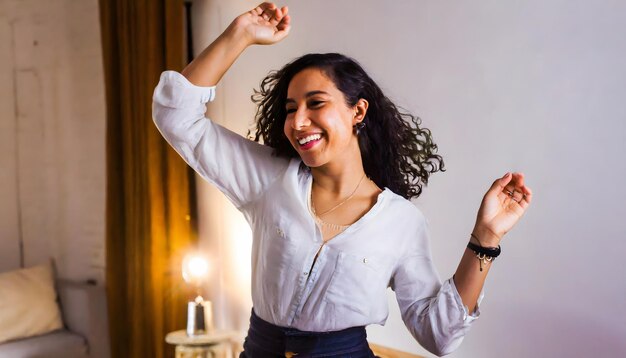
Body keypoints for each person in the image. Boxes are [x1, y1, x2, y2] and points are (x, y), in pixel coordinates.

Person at [152, 3, 533, 357]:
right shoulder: (268, 179)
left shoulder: (399, 221)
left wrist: (486, 237)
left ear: (358, 111)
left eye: (316, 103)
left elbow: (438, 335)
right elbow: (176, 116)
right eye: (290, 109)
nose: (298, 122)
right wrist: (240, 33)